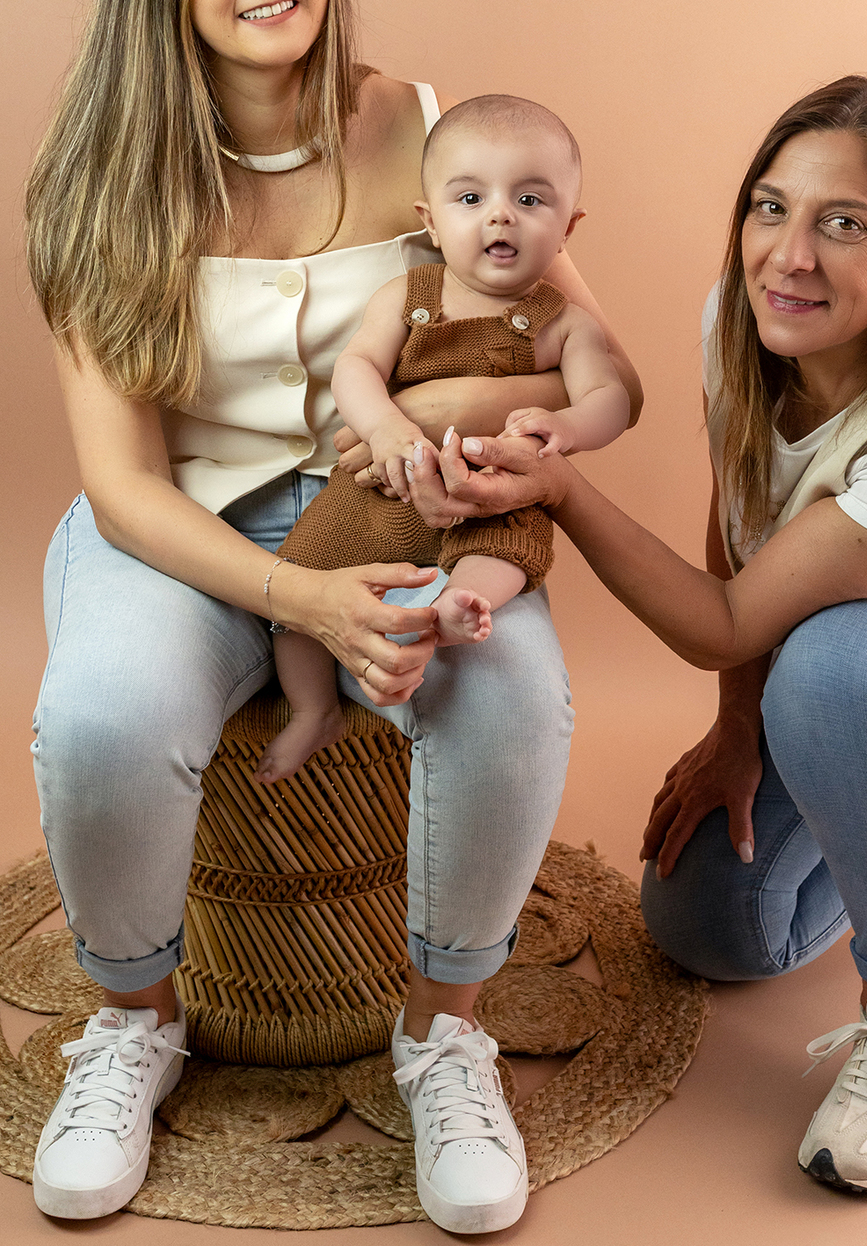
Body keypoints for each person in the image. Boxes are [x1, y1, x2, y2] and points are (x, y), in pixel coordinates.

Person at [22, 0, 640, 1230]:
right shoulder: (96, 178)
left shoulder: (428, 127)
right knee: (107, 712)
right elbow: (119, 482)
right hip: (177, 524)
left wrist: (498, 461)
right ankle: (132, 1025)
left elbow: (571, 342)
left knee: (515, 692)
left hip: (404, 512)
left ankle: (443, 1033)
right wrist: (303, 604)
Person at [403, 75, 867, 1196]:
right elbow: (742, 518)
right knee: (712, 927)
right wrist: (737, 730)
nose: (790, 253)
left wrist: (561, 492)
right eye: (772, 208)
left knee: (837, 670)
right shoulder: (751, 324)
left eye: (846, 224)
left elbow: (728, 619)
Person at [256, 93, 629, 785]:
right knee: (304, 583)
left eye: (529, 199)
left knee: (507, 549)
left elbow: (609, 398)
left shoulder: (564, 323)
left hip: (493, 492)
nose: (499, 215)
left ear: (568, 226)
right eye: (469, 198)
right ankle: (312, 708)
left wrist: (567, 426)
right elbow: (357, 368)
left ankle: (456, 609)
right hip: (386, 491)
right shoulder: (406, 295)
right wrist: (388, 427)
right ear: (429, 220)